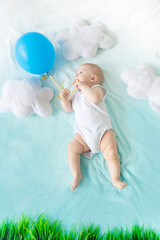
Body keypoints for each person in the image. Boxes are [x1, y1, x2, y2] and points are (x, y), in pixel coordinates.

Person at [60, 63, 128, 191]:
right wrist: (64, 99)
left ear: (93, 79)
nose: (76, 75)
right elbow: (68, 109)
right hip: (83, 135)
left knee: (111, 153)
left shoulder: (98, 89)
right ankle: (76, 174)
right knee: (72, 148)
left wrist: (83, 86)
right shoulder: (75, 95)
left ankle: (115, 179)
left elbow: (95, 98)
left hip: (103, 132)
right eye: (76, 73)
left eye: (80, 72)